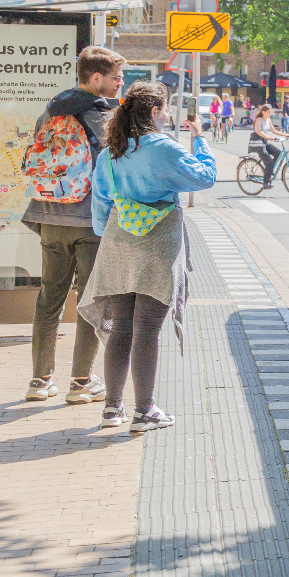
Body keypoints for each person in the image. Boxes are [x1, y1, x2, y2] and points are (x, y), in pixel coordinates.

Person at [78, 81, 216, 431]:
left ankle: (112, 409)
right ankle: (144, 411)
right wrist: (200, 139)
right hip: (158, 245)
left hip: (118, 244)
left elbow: (101, 206)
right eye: (165, 109)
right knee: (148, 329)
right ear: (154, 112)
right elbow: (204, 178)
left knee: (121, 328)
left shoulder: (111, 152)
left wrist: (113, 235)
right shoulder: (164, 148)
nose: (167, 115)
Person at [22, 46, 126, 403]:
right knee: (89, 300)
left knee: (49, 298)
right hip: (90, 222)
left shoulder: (51, 111)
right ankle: (81, 382)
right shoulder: (105, 116)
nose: (120, 84)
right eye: (115, 78)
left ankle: (40, 380)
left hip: (49, 217)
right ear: (96, 78)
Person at [249, 103, 288, 189]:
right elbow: (258, 131)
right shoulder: (259, 119)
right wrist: (268, 137)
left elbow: (273, 130)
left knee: (278, 153)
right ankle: (265, 183)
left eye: (271, 112)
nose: (270, 114)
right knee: (270, 163)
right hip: (259, 143)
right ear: (263, 112)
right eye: (269, 112)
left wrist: (284, 135)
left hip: (265, 142)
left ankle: (269, 171)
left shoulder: (268, 119)